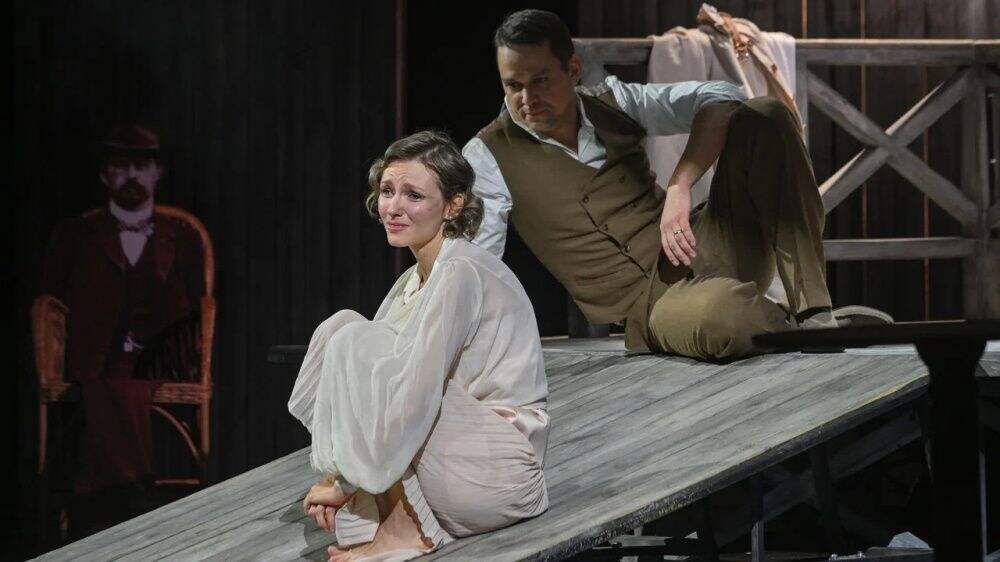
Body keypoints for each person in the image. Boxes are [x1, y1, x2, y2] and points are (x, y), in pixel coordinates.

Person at [463, 9, 890, 361]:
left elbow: (723, 95)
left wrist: (681, 185)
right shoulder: (488, 155)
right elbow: (477, 264)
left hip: (707, 245)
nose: (527, 100)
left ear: (572, 70)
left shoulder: (616, 102)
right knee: (722, 319)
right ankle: (793, 326)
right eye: (513, 85)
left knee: (766, 116)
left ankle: (815, 314)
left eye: (540, 81)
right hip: (656, 308)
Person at [288, 131, 549, 561]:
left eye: (413, 195)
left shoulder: (460, 270)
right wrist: (342, 473)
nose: (393, 207)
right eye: (388, 191)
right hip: (456, 463)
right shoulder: (413, 280)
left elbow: (415, 392)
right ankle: (385, 508)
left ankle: (406, 529)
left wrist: (346, 482)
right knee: (343, 328)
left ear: (453, 205)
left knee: (362, 345)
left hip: (499, 472)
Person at [38, 123, 205, 536]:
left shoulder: (181, 237)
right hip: (94, 359)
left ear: (157, 173)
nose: (131, 175)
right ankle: (119, 501)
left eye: (141, 165)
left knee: (123, 389)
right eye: (120, 166)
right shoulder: (74, 236)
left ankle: (123, 500)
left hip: (160, 359)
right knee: (104, 388)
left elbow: (195, 306)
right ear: (104, 175)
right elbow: (52, 299)